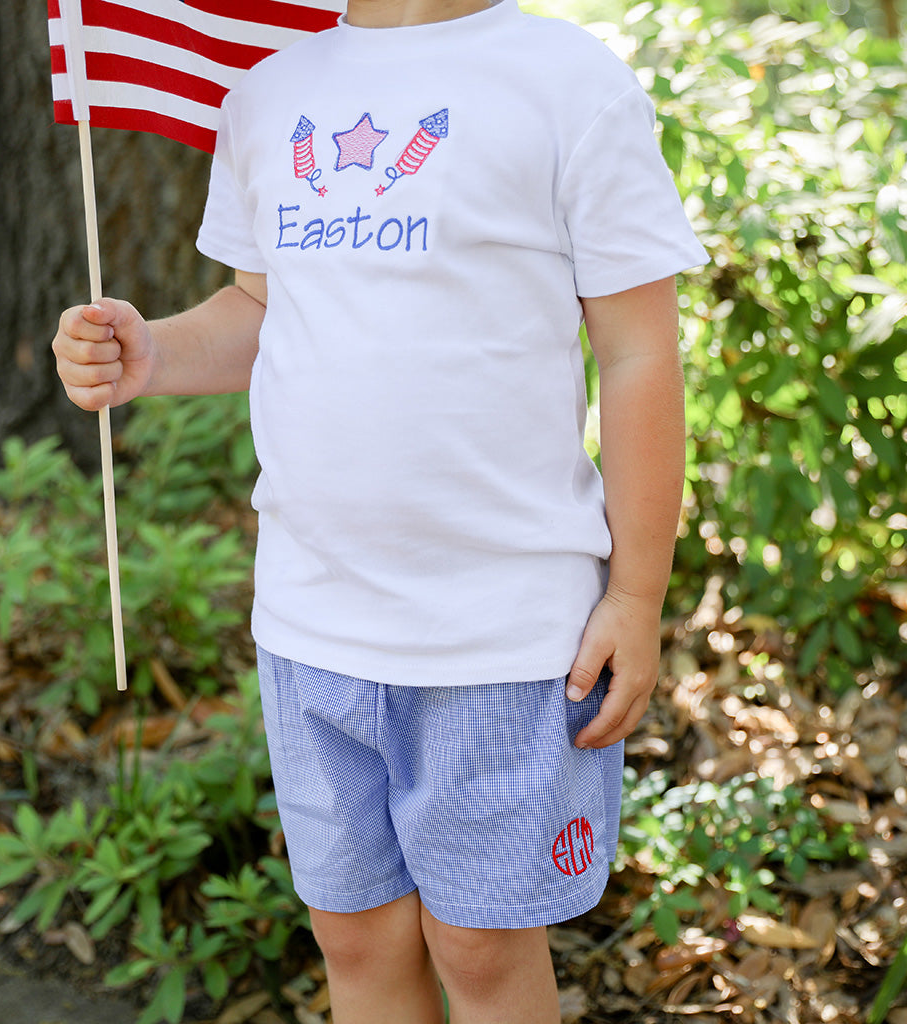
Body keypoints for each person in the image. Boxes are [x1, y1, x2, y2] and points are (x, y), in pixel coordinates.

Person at [52, 1, 707, 1020]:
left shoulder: (566, 81)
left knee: (482, 949)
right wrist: (153, 352)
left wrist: (636, 588)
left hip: (502, 628)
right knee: (353, 937)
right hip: (316, 621)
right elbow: (264, 309)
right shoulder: (271, 92)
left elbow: (636, 351)